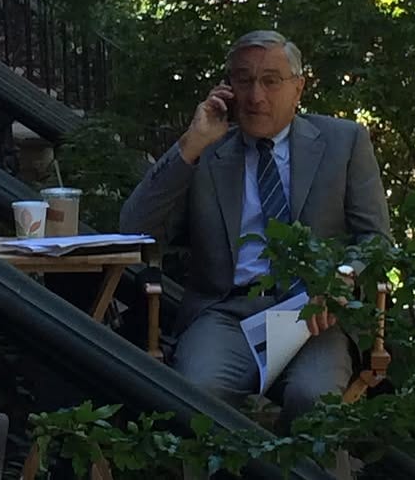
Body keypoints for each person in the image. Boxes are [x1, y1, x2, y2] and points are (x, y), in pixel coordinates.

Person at [120, 30, 391, 478]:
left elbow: (377, 241)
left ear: (299, 87)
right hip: (226, 313)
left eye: (270, 80)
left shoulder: (343, 142)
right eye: (243, 80)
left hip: (314, 314)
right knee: (195, 394)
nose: (255, 95)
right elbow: (134, 230)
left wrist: (340, 276)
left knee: (315, 401)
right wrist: (191, 144)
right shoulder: (209, 152)